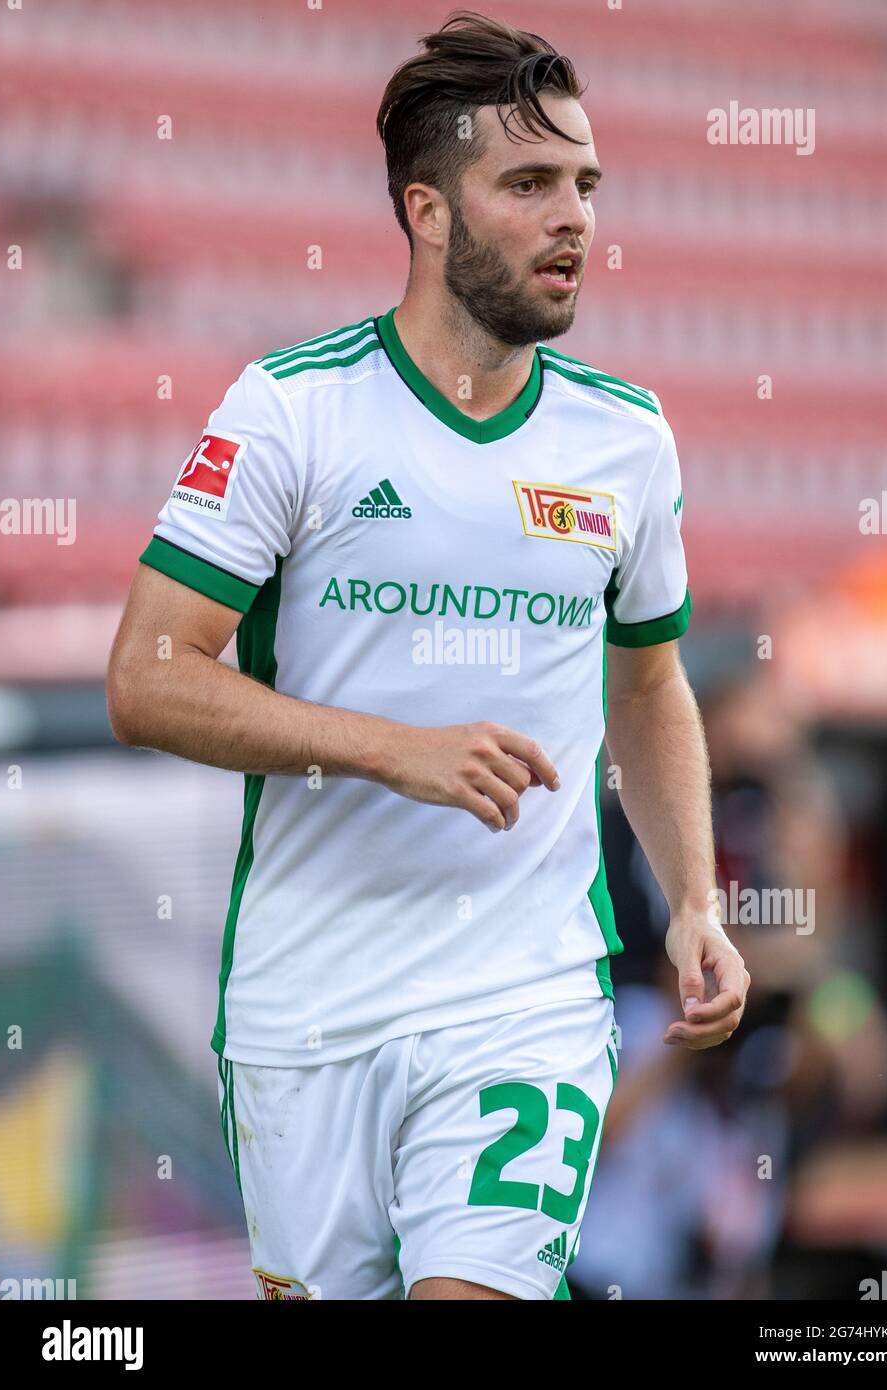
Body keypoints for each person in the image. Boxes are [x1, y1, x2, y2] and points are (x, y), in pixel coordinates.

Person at [106, 10, 748, 1301]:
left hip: (523, 995)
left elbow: (648, 681)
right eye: (528, 184)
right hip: (305, 1013)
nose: (575, 217)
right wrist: (386, 749)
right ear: (428, 212)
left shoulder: (625, 438)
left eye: (584, 185)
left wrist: (692, 901)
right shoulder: (293, 410)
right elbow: (146, 675)